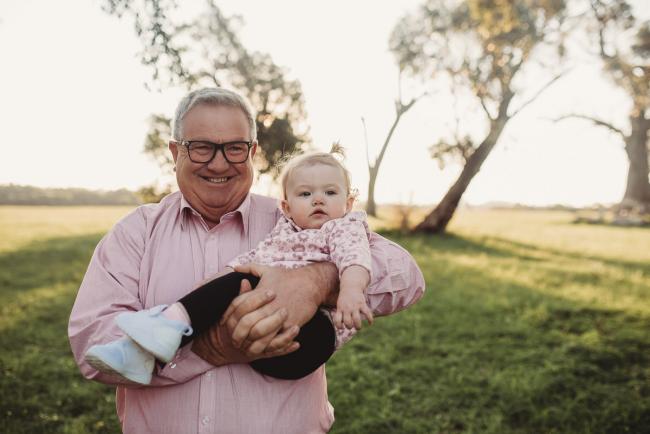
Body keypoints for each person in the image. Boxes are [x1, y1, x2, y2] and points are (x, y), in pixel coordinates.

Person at [68, 87, 425, 434]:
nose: (219, 162)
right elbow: (93, 349)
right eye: (202, 148)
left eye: (234, 148)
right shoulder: (136, 233)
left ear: (252, 151)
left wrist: (319, 283)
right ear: (175, 152)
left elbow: (407, 277)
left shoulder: (294, 220)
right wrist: (210, 351)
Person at [83, 149, 375, 384]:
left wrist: (348, 289)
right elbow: (253, 259)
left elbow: (355, 258)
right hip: (265, 342)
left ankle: (167, 324)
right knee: (240, 277)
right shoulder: (285, 230)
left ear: (348, 203)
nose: (319, 200)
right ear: (286, 207)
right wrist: (207, 290)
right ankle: (144, 351)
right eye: (305, 194)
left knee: (241, 281)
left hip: (310, 341)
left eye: (331, 193)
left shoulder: (343, 228)